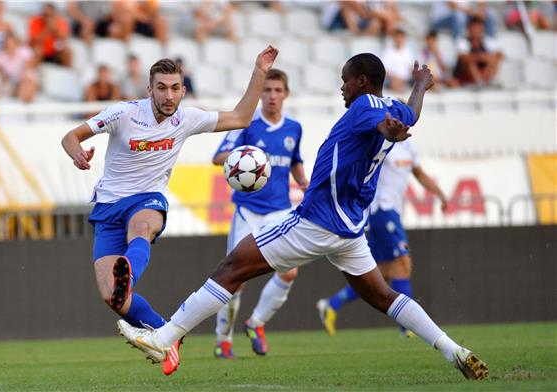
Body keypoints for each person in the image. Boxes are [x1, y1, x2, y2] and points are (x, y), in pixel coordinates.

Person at [117, 54, 489, 381]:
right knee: (383, 296)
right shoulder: (392, 105)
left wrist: (385, 127)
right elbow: (410, 114)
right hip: (350, 227)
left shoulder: (365, 106)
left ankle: (163, 339)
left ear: (361, 81)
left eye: (345, 79)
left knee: (231, 270)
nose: (342, 88)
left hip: (317, 219)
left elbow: (379, 119)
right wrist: (421, 86)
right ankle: (451, 348)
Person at [61, 45, 279, 376]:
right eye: (161, 87)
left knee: (143, 228)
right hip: (107, 207)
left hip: (148, 199)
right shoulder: (123, 114)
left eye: (175, 88)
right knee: (113, 299)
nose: (168, 95)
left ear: (183, 90)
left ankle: (129, 274)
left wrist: (260, 71)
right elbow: (71, 136)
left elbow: (241, 117)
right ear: (149, 89)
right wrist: (78, 154)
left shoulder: (186, 119)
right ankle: (168, 335)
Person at [211, 68, 308, 359]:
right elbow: (218, 157)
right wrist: (248, 158)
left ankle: (256, 323)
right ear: (260, 93)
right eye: (267, 90)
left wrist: (303, 181)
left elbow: (295, 161)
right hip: (248, 210)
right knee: (235, 278)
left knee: (289, 271)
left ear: (286, 94)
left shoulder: (294, 128)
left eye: (278, 91)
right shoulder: (246, 125)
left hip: (279, 211)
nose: (272, 96)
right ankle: (223, 339)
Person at [316, 138, 448, 337]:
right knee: (403, 264)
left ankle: (332, 304)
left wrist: (440, 194)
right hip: (382, 211)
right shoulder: (383, 143)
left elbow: (419, 174)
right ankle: (408, 327)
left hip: (391, 211)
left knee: (380, 274)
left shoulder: (409, 147)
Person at [453, 17, 503, 88]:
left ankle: (487, 82)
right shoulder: (462, 41)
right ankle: (479, 83)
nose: (476, 31)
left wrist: (486, 58)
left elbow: (499, 55)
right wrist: (481, 57)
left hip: (484, 73)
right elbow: (463, 58)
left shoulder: (487, 41)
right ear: (469, 29)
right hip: (466, 75)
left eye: (478, 28)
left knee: (494, 61)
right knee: (470, 62)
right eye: (474, 28)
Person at [0, 33, 39, 103]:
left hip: (23, 78)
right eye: (7, 43)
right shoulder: (0, 56)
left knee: (29, 76)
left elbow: (31, 65)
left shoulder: (24, 51)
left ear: (16, 42)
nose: (9, 45)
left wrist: (24, 73)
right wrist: (2, 74)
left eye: (11, 43)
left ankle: (27, 99)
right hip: (9, 82)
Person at [29, 3, 72, 67]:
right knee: (38, 50)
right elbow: (35, 40)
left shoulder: (60, 22)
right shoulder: (36, 21)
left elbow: (64, 38)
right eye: (46, 15)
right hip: (42, 53)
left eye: (50, 15)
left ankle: (68, 73)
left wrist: (55, 29)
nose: (48, 18)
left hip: (55, 53)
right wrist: (47, 28)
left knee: (67, 51)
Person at [382, 28, 415, 93]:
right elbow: (384, 69)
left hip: (406, 80)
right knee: (395, 83)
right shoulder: (388, 51)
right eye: (397, 37)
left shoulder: (408, 52)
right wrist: (394, 78)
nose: (399, 40)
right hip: (391, 79)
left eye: (401, 37)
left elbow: (412, 68)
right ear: (394, 39)